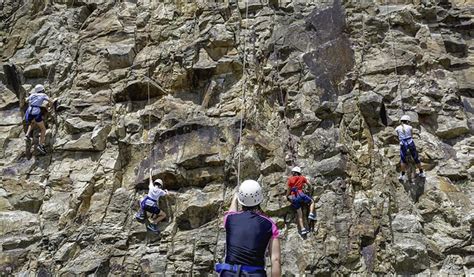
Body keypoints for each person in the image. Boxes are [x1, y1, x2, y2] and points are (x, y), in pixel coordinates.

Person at [215, 180, 281, 277]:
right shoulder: (269, 224)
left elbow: (231, 212)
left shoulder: (230, 219)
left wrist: (235, 198)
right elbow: (275, 260)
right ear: (259, 198)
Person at [287, 166, 316, 236]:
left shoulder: (290, 179)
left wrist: (287, 196)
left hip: (294, 197)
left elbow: (288, 189)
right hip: (301, 194)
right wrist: (310, 191)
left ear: (293, 173)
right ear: (299, 172)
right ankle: (311, 214)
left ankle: (303, 229)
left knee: (300, 215)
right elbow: (310, 185)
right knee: (312, 202)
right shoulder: (302, 178)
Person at [395, 115, 425, 181]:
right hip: (410, 142)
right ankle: (421, 172)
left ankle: (402, 175)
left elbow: (398, 136)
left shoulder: (397, 128)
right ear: (408, 121)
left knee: (403, 160)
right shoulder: (410, 127)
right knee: (415, 157)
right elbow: (411, 135)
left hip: (403, 144)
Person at [24, 84, 51, 154]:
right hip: (36, 111)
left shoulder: (33, 95)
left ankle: (27, 135)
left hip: (29, 111)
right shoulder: (43, 95)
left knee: (32, 122)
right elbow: (50, 101)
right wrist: (50, 106)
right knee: (43, 129)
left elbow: (26, 100)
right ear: (42, 90)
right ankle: (40, 145)